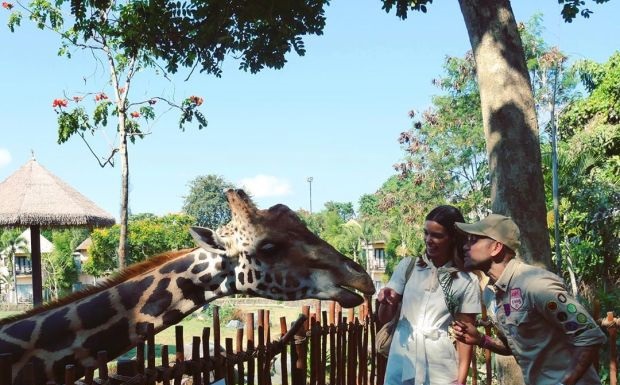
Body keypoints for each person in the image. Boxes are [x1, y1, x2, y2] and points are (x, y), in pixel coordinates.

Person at [452, 214, 607, 385]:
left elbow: (590, 335)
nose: (465, 247)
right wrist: (482, 340)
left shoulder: (535, 284)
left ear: (496, 247)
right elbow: (515, 348)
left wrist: (566, 382)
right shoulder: (491, 294)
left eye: (473, 241)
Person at [377, 205, 481, 385]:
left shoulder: (466, 280)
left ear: (453, 238)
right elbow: (383, 318)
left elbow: (465, 335)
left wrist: (462, 379)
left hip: (439, 364)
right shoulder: (408, 267)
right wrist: (388, 303)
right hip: (401, 358)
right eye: (426, 233)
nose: (428, 240)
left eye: (437, 235)